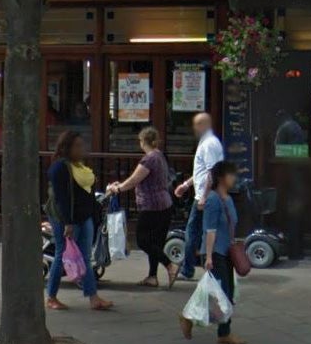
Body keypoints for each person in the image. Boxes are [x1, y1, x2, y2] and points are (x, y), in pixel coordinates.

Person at [179, 160, 246, 344]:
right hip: (215, 253)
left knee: (225, 293)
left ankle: (221, 331)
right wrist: (208, 256)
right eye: (230, 174)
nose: (234, 178)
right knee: (221, 293)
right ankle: (193, 319)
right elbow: (210, 230)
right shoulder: (213, 200)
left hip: (227, 252)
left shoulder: (229, 199)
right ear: (221, 178)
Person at [45, 131, 113, 311]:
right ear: (67, 147)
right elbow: (61, 199)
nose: (81, 150)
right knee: (62, 254)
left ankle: (93, 297)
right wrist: (68, 222)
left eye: (82, 146)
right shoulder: (59, 168)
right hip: (65, 218)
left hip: (84, 216)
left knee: (85, 256)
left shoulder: (80, 167)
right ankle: (51, 297)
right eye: (77, 146)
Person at [108, 127, 178, 288]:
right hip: (165, 204)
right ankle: (152, 276)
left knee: (142, 240)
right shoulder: (160, 155)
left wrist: (118, 188)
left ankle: (170, 265)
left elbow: (134, 179)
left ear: (142, 141)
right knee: (156, 242)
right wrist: (121, 184)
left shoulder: (149, 159)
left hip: (152, 205)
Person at [174, 112, 224, 280]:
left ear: (203, 125)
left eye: (196, 125)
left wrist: (204, 196)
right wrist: (186, 185)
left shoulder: (208, 144)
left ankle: (189, 270)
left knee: (193, 232)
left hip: (205, 197)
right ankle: (212, 269)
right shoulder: (210, 142)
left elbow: (211, 172)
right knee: (209, 231)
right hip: (210, 195)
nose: (194, 128)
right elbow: (203, 171)